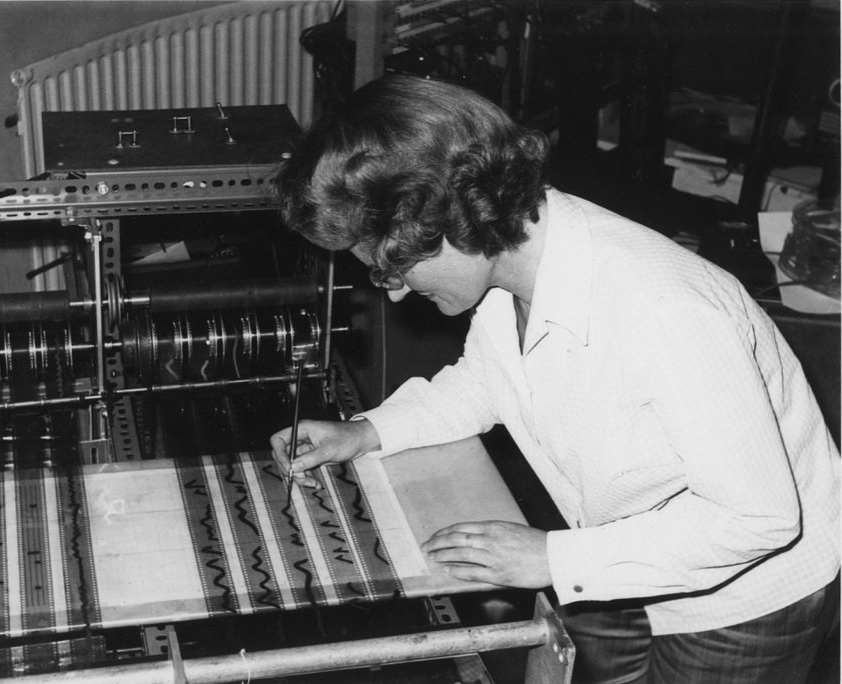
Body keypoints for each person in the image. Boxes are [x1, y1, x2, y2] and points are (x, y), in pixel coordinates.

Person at [269, 74, 840, 684]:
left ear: (454, 219)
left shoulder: (667, 312)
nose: (398, 291)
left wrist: (551, 557)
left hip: (742, 594)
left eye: (397, 266)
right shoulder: (509, 266)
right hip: (610, 541)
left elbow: (758, 518)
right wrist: (366, 432)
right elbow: (488, 382)